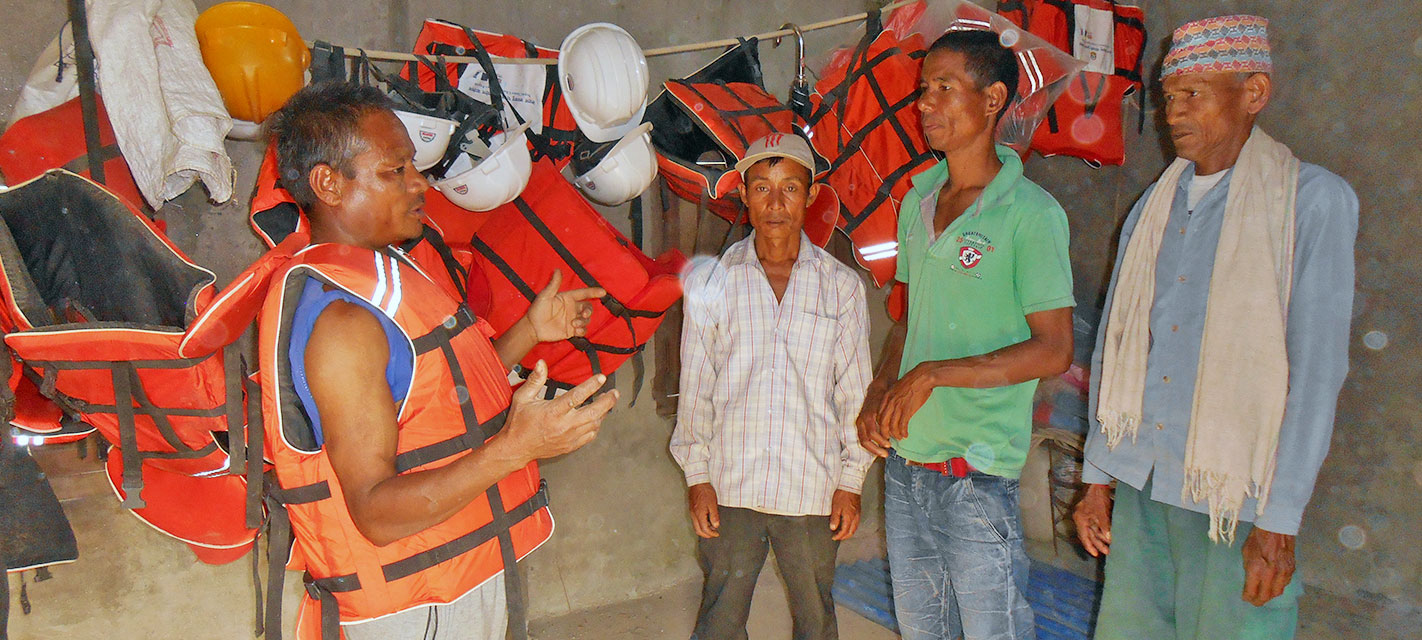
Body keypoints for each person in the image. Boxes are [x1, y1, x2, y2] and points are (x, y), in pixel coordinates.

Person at [259, 81, 618, 640]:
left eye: (412, 167)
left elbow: (440, 400)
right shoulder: (342, 326)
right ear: (328, 184)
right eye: (394, 171)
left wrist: (529, 331)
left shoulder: (392, 272)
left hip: (458, 575)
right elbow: (375, 513)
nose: (418, 183)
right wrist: (518, 447)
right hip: (418, 603)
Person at [1074, 15, 1357, 640]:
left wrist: (1279, 521)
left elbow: (1315, 375)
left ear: (1253, 93)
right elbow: (1120, 349)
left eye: (1194, 94)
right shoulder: (1154, 206)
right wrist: (1097, 478)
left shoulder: (1308, 202)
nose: (1175, 112)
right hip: (1145, 482)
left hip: (1236, 500)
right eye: (1169, 96)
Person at [855, 29, 1076, 640]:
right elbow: (909, 318)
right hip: (906, 464)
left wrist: (933, 375)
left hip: (975, 474)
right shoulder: (918, 201)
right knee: (922, 630)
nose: (925, 105)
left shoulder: (1030, 214)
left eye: (944, 89)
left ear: (994, 98)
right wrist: (881, 388)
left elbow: (1055, 349)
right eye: (924, 91)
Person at [670, 132, 874, 640]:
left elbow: (855, 393)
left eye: (790, 189)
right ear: (743, 193)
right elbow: (696, 387)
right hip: (731, 482)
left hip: (812, 487)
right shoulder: (714, 283)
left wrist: (851, 483)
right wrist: (698, 478)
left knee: (815, 619)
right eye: (762, 188)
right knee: (719, 618)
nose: (776, 204)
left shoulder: (840, 286)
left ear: (810, 196)